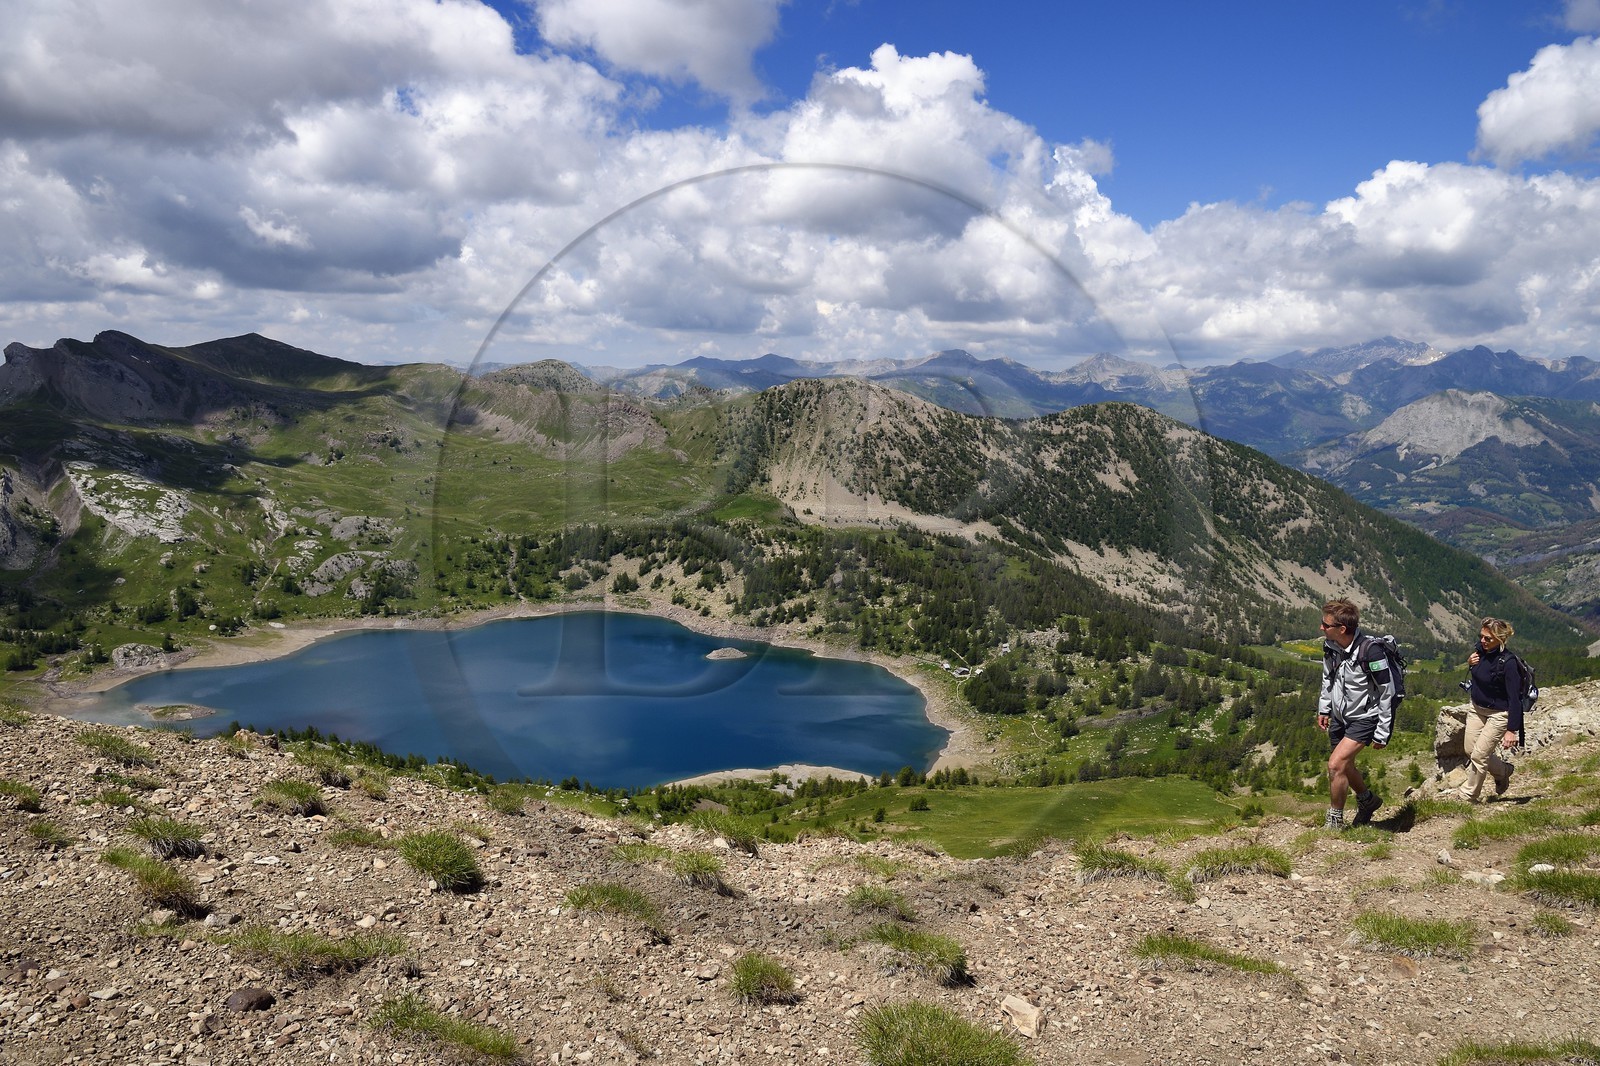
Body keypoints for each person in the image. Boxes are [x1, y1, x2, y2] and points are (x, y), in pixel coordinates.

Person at [1316, 598, 1394, 830]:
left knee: (1335, 765)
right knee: (1345, 764)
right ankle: (1368, 800)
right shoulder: (1331, 647)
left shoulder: (1371, 652)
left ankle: (1335, 821)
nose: (1321, 628)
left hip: (1365, 717)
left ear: (1342, 629)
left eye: (1325, 625)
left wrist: (1382, 731)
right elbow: (1327, 678)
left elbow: (1386, 691)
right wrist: (1324, 707)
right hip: (1340, 717)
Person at [1460, 617, 1522, 802]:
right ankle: (1503, 771)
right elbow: (1482, 675)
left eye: (1488, 639)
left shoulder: (1508, 663)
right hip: (1477, 708)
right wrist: (1470, 663)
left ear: (1500, 640)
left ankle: (1467, 797)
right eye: (1482, 637)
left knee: (1479, 756)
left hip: (1499, 713)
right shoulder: (1480, 652)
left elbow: (1515, 699)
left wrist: (1511, 730)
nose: (1483, 641)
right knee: (1471, 750)